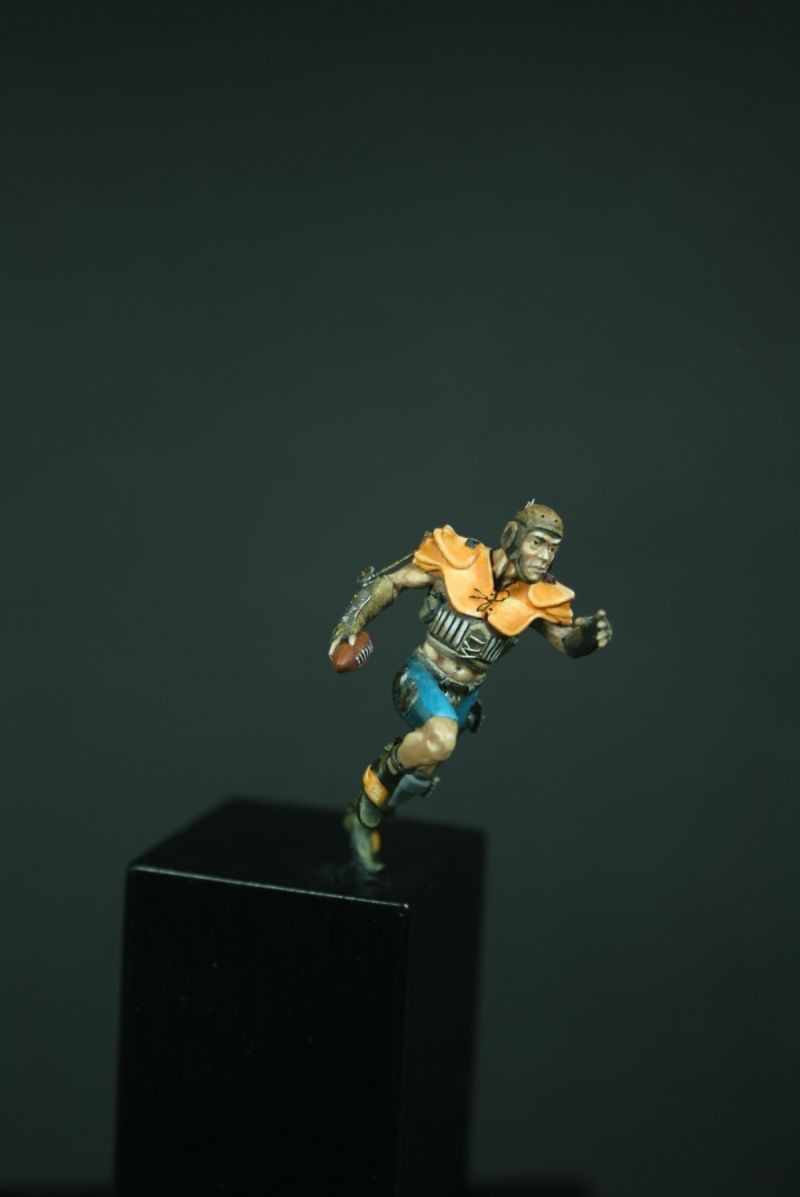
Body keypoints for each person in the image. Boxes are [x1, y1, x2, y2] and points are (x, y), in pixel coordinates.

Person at [328, 501, 613, 871]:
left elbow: (566, 641)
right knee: (440, 739)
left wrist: (586, 638)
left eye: (553, 548)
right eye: (538, 543)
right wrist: (350, 622)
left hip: (465, 696)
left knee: (423, 772)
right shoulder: (457, 560)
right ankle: (384, 770)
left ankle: (363, 816)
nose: (545, 556)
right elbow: (393, 581)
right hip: (422, 677)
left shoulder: (540, 596)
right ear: (513, 536)